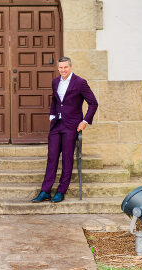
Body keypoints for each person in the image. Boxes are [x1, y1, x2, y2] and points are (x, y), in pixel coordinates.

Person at [32, 56, 98, 203]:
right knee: (52, 158)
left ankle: (61, 191)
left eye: (65, 68)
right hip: (57, 125)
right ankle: (45, 191)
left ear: (70, 66)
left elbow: (93, 103)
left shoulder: (80, 83)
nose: (63, 70)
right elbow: (55, 100)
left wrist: (85, 121)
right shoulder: (55, 82)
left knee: (67, 158)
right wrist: (51, 116)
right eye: (60, 68)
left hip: (72, 126)